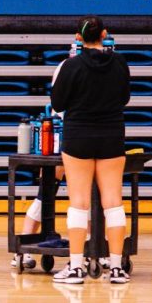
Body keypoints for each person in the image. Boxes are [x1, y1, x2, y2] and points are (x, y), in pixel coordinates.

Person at [50, 15, 131, 285]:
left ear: (78, 38)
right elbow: (125, 98)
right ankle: (117, 268)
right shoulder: (120, 63)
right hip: (111, 135)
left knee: (79, 202)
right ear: (105, 34)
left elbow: (58, 102)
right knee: (113, 202)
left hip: (79, 137)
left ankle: (75, 268)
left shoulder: (70, 66)